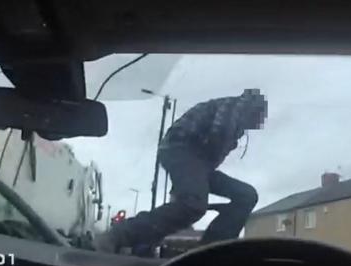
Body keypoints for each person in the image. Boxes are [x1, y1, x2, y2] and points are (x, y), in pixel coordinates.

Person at [95, 88, 268, 253]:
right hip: (180, 149)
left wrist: (194, 183)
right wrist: (196, 190)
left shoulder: (236, 119)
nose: (258, 125)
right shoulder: (236, 107)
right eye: (259, 120)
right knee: (193, 204)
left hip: (198, 162)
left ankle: (213, 248)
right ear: (255, 110)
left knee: (246, 195)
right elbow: (218, 134)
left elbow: (210, 155)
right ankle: (117, 235)